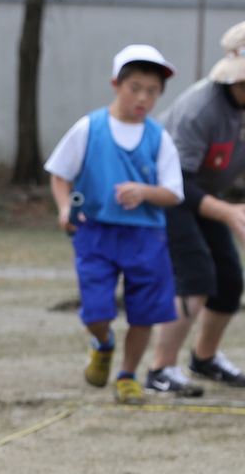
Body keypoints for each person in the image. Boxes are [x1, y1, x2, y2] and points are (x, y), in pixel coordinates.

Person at [44, 45, 184, 404]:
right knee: (96, 309)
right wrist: (64, 209)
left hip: (146, 236)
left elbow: (173, 193)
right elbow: (59, 174)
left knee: (146, 310)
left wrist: (144, 191)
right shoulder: (89, 128)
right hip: (95, 233)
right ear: (115, 84)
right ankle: (102, 343)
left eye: (152, 91)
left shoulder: (159, 137)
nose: (143, 97)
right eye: (135, 87)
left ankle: (127, 375)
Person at [146, 21, 245, 394]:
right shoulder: (198, 110)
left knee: (230, 280)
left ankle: (204, 359)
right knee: (197, 276)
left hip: (202, 194)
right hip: (165, 190)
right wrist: (229, 212)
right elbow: (176, 183)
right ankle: (160, 370)